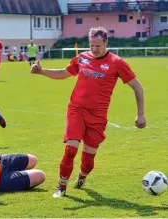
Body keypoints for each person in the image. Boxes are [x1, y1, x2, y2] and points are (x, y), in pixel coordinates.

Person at [31, 27, 146, 198]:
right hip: (76, 109)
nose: (94, 49)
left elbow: (137, 86)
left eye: (98, 45)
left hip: (98, 116)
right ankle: (61, 187)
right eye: (92, 45)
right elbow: (64, 72)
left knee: (88, 161)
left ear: (106, 43)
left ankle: (82, 176)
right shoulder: (83, 57)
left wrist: (141, 113)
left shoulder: (117, 63)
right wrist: (42, 71)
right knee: (70, 149)